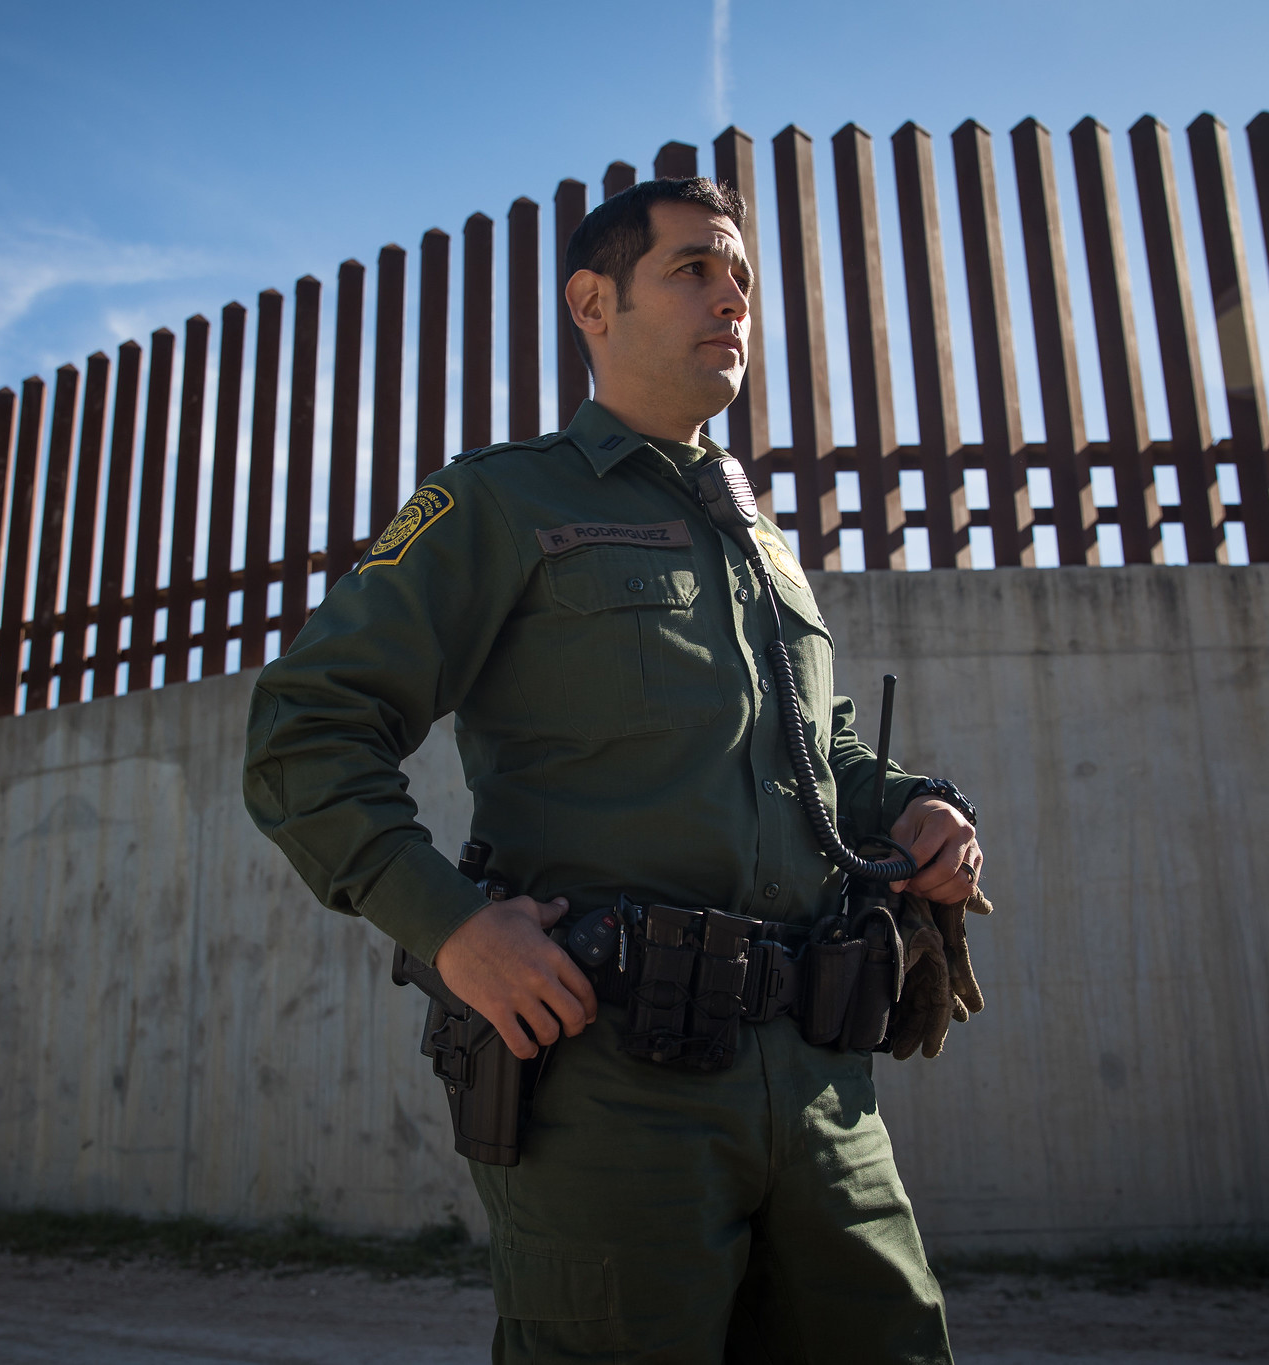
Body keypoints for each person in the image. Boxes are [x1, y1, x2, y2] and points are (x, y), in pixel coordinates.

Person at [244, 176, 984, 1363]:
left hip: (819, 1081)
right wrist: (448, 927)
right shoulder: (502, 499)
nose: (730, 299)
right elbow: (306, 727)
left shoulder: (761, 538)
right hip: (612, 1082)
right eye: (693, 269)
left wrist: (914, 809)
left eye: (740, 275)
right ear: (593, 302)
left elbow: (817, 753)